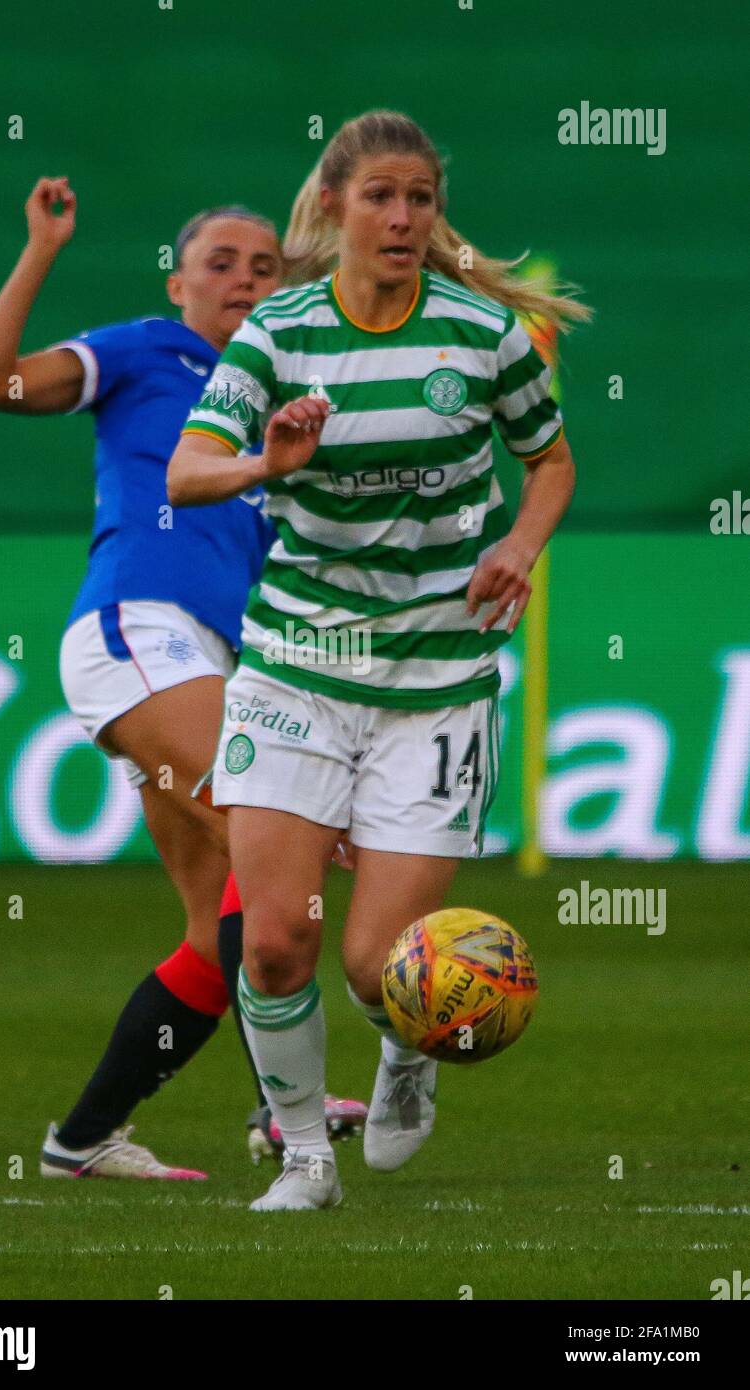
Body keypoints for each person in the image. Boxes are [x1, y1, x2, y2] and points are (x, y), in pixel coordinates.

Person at [168, 109, 590, 1209]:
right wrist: (269, 460)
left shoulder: (481, 334)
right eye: (379, 198)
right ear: (335, 207)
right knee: (268, 947)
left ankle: (406, 1055)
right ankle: (306, 1157)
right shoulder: (279, 334)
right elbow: (185, 473)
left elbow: (548, 462)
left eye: (419, 199)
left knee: (374, 967)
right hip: (296, 667)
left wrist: (517, 542)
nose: (402, 218)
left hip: (434, 682)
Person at [0, 176, 365, 1179]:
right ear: (177, 281)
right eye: (218, 262)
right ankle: (282, 1115)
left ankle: (81, 1140)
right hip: (139, 629)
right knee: (270, 832)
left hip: (209, 656)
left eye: (261, 266)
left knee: (218, 927)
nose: (239, 277)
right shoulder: (148, 350)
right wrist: (42, 248)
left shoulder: (281, 404)